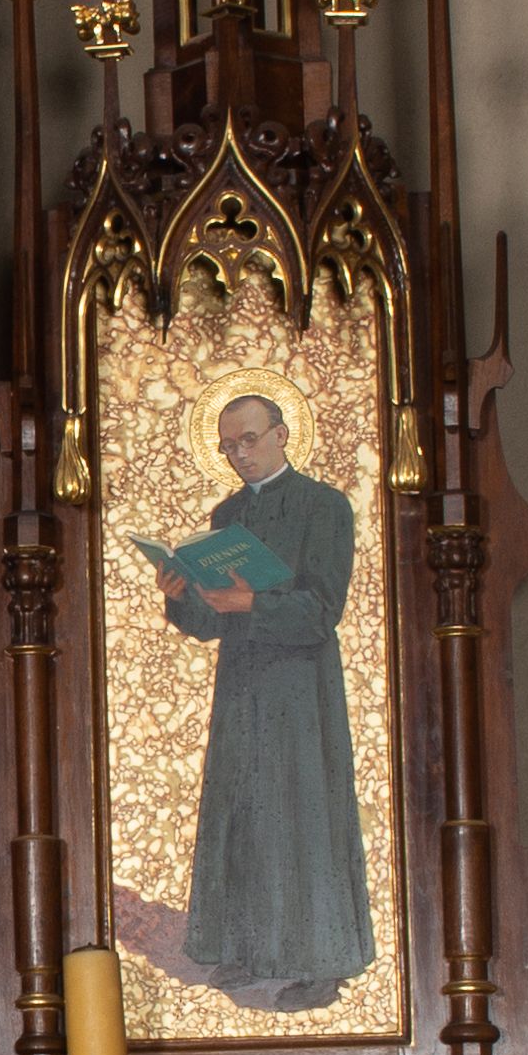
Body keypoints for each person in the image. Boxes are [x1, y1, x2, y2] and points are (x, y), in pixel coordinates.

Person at [157, 390, 374, 1012]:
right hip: (243, 687)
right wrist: (179, 595)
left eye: (248, 440)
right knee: (241, 808)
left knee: (303, 814)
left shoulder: (323, 506)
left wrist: (252, 602)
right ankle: (244, 948)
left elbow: (323, 610)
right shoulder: (228, 515)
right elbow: (209, 622)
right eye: (228, 446)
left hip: (300, 688)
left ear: (281, 435)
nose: (239, 454)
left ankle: (321, 963)